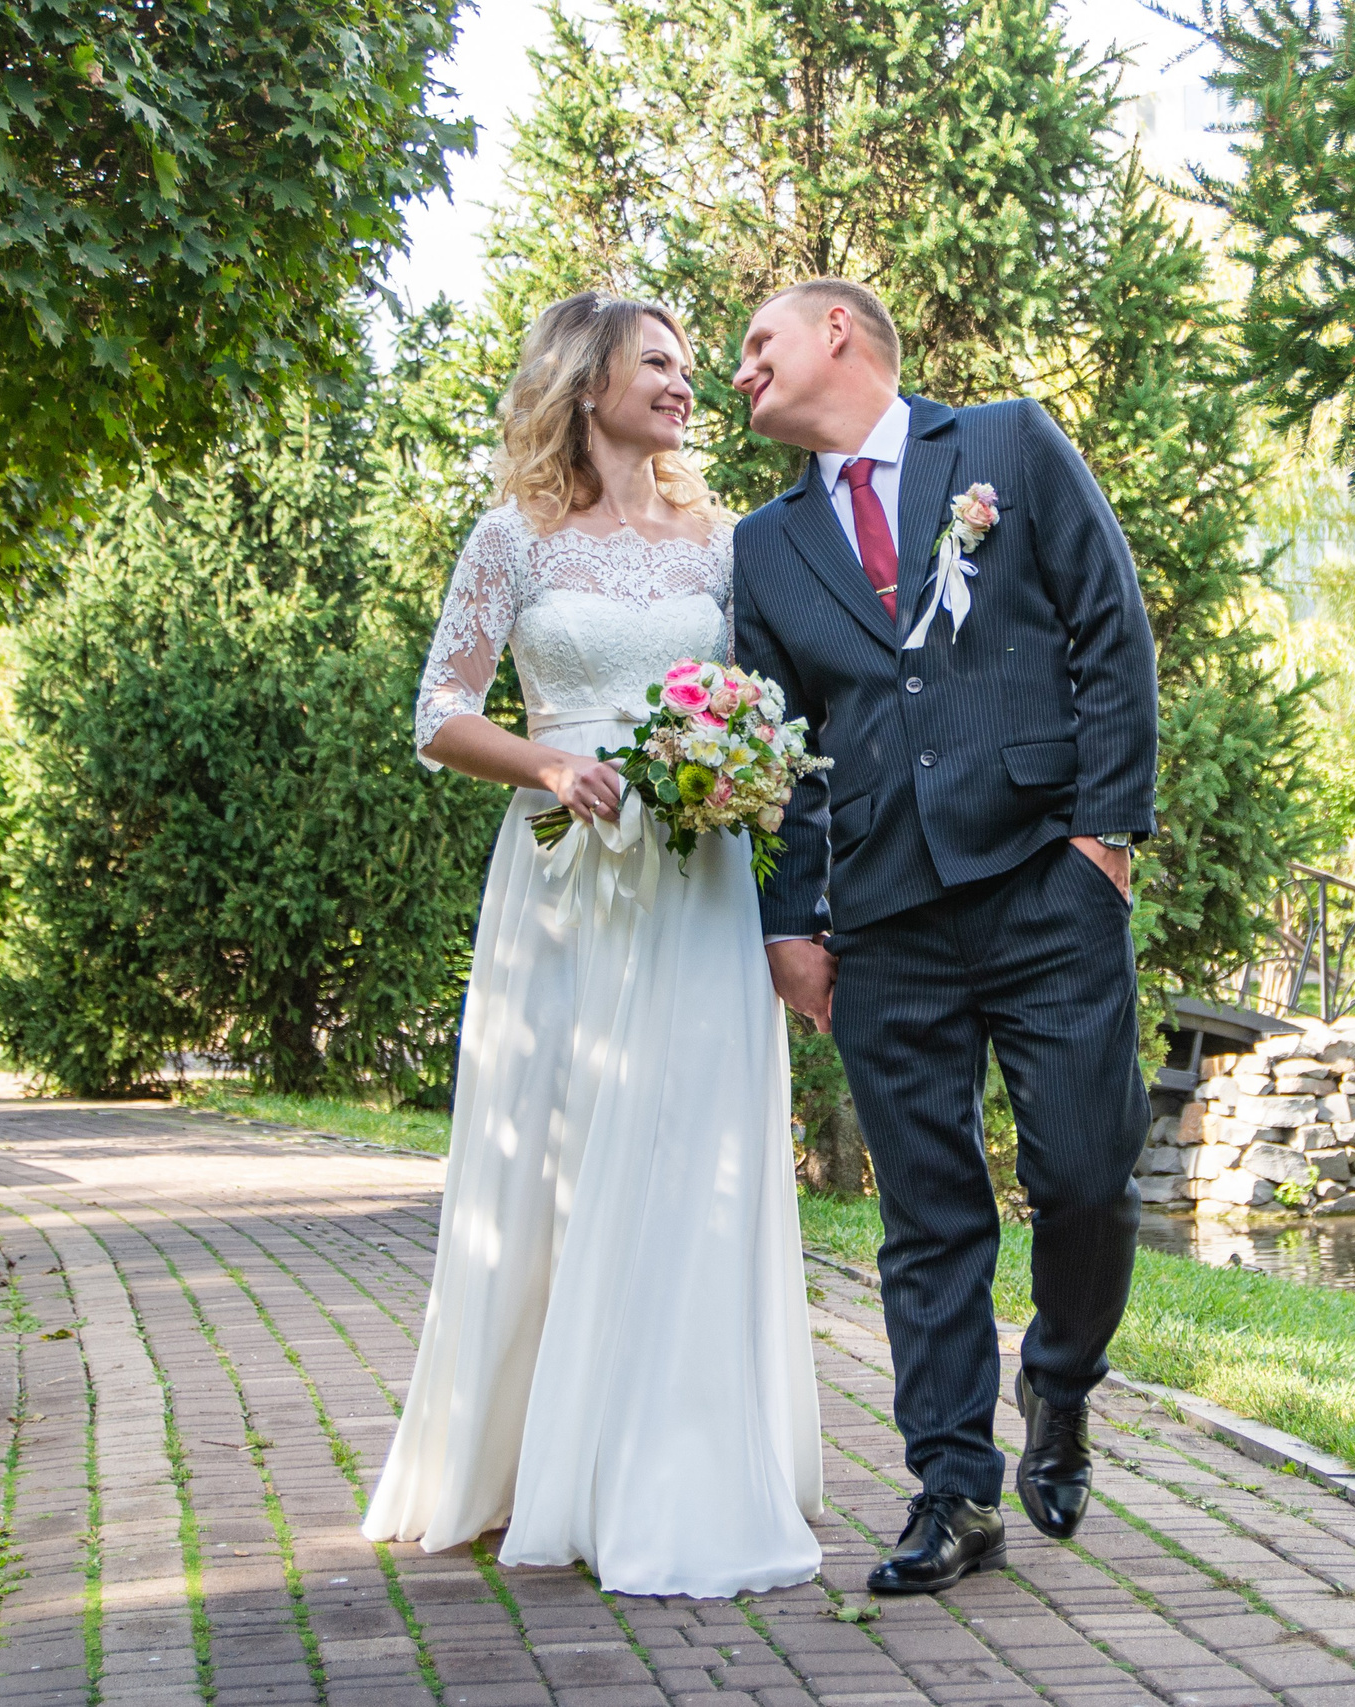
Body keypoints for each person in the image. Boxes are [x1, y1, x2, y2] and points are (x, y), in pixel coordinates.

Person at [361, 290, 823, 1599]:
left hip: (696, 883)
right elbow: (439, 711)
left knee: (696, 1159)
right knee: (561, 1163)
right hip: (564, 891)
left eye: (689, 365)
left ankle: (676, 1460)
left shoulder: (721, 543)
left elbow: (760, 696)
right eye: (661, 363)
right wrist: (550, 759)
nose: (687, 385)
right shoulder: (511, 537)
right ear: (587, 380)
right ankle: (533, 1463)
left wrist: (740, 765)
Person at [731, 279, 1159, 1594]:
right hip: (884, 916)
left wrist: (1104, 837)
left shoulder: (1009, 447)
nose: (740, 372)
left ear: (838, 335)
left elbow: (1110, 631)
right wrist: (789, 920)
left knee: (1085, 1170)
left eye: (759, 344)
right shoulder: (764, 546)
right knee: (926, 1213)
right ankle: (954, 1490)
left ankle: (1064, 1378)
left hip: (1043, 875)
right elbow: (780, 749)